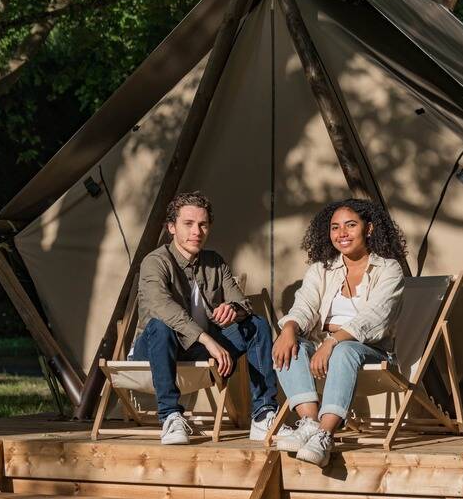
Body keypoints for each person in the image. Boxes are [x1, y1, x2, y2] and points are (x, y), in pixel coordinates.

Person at [132, 191, 279, 444]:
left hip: (199, 351)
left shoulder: (214, 262)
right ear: (171, 228)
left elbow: (243, 303)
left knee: (256, 325)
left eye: (202, 224)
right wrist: (207, 339)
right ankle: (170, 416)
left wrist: (234, 309)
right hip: (157, 346)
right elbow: (161, 306)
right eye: (188, 224)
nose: (196, 231)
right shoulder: (155, 261)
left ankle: (263, 414)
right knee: (161, 324)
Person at [272, 198, 406, 467]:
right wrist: (288, 328)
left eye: (350, 225)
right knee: (290, 344)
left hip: (372, 352)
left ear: (368, 229)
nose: (342, 233)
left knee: (344, 350)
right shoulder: (322, 269)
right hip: (324, 349)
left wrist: (333, 340)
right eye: (335, 227)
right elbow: (305, 305)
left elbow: (374, 319)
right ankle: (309, 422)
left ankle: (325, 434)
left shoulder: (389, 269)